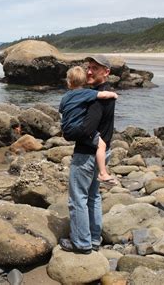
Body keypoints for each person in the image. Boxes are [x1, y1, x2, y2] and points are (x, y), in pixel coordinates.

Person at [60, 55, 117, 255]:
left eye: (95, 68)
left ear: (106, 72)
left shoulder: (95, 98)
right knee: (93, 196)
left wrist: (67, 133)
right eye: (88, 68)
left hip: (87, 154)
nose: (90, 71)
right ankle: (93, 239)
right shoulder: (103, 93)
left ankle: (81, 243)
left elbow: (85, 130)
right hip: (103, 151)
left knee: (78, 199)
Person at [59, 66, 118, 183]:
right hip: (79, 129)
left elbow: (61, 110)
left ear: (69, 83)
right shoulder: (88, 93)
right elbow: (103, 95)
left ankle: (102, 173)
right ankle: (103, 173)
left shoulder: (65, 97)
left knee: (87, 194)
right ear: (85, 81)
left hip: (66, 128)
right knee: (101, 145)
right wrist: (114, 95)